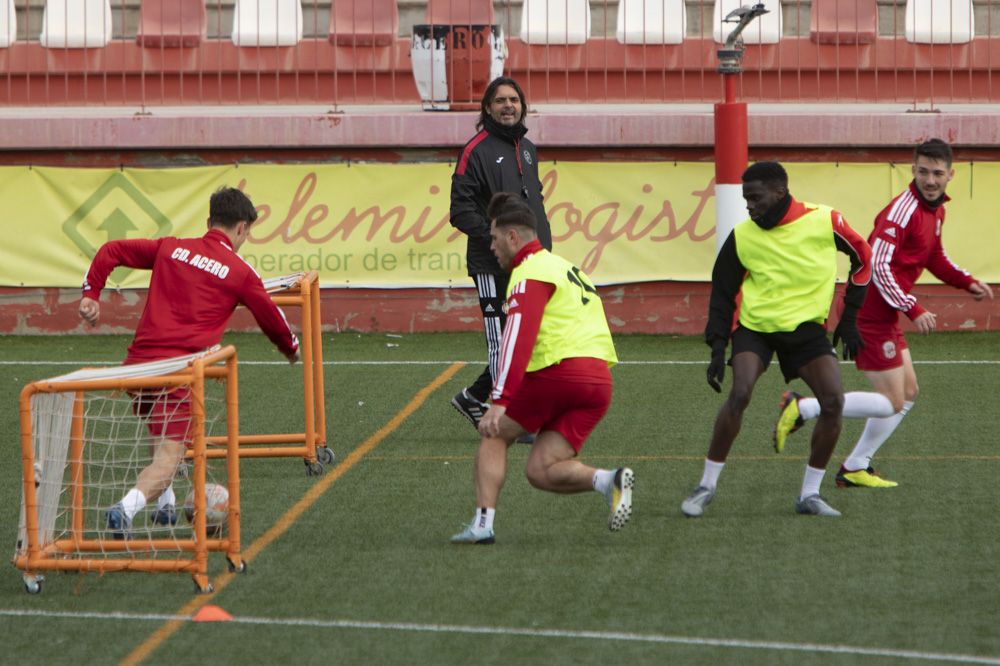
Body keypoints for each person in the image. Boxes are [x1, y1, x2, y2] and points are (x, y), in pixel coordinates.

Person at [79, 186, 300, 539]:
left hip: (137, 365)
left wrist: (92, 294)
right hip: (180, 369)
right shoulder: (239, 270)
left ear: (209, 221)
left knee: (157, 424)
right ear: (241, 229)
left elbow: (112, 250)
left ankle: (165, 505)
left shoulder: (172, 248)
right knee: (170, 455)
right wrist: (291, 348)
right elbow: (270, 316)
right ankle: (126, 509)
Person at [774, 139, 994, 487]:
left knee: (909, 394)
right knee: (892, 401)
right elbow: (876, 265)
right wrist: (913, 306)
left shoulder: (935, 210)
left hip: (884, 313)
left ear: (951, 174)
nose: (930, 180)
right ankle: (804, 408)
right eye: (923, 172)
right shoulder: (902, 211)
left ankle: (855, 466)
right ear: (913, 170)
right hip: (866, 314)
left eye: (938, 173)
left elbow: (934, 255)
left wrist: (966, 282)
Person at [681, 161, 872, 519]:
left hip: (806, 331)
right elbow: (721, 294)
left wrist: (849, 320)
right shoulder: (742, 236)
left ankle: (809, 495)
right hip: (755, 329)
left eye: (755, 198)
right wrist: (718, 347)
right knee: (740, 394)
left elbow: (863, 258)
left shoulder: (825, 220)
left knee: (833, 402)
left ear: (780, 192)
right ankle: (706, 485)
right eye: (745, 200)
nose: (750, 207)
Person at [450, 192, 632, 544]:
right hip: (597, 382)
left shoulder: (529, 272)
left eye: (494, 238)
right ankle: (608, 481)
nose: (491, 247)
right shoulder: (567, 267)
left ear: (513, 237)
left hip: (558, 373)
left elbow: (515, 340)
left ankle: (482, 525)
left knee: (494, 432)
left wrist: (500, 401)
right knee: (540, 470)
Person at [448, 77, 553, 440]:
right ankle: (504, 418)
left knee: (525, 335)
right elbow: (459, 210)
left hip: (530, 263)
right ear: (487, 108)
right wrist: (496, 241)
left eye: (514, 100)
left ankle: (473, 397)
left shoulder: (528, 148)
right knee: (500, 340)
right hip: (491, 265)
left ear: (522, 106)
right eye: (500, 100)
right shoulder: (474, 151)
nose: (508, 105)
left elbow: (535, 201)